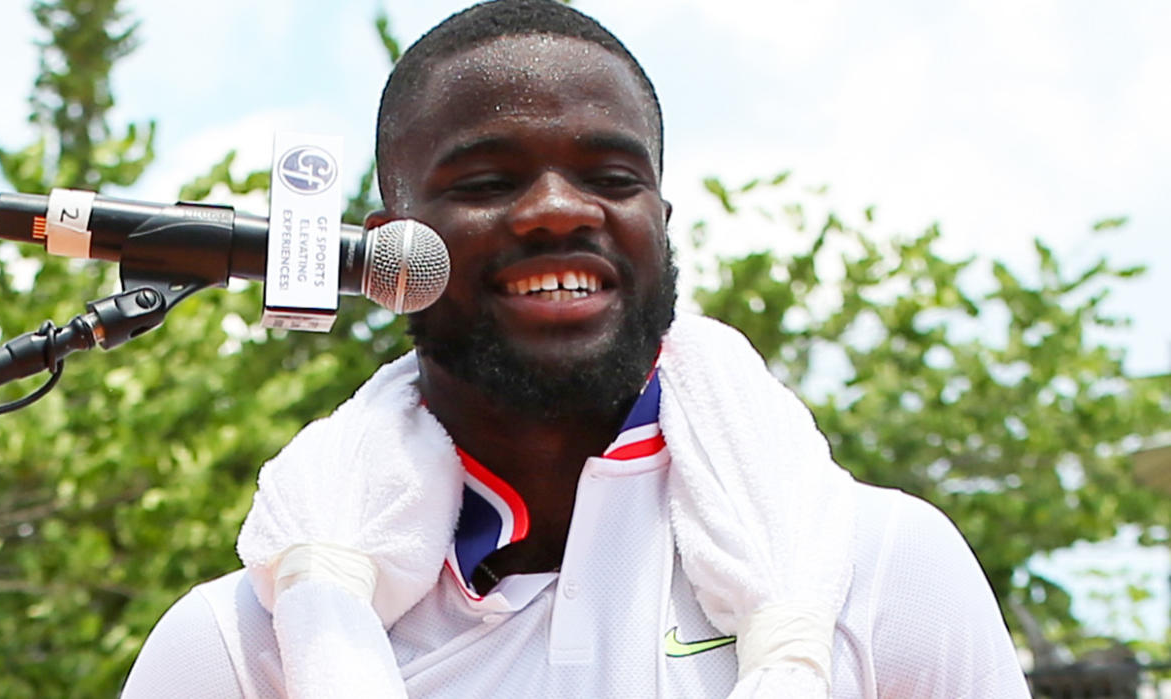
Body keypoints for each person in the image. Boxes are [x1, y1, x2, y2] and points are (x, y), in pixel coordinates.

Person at [123, 1, 1031, 697]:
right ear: (384, 252)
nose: (560, 208)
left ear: (660, 224)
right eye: (487, 181)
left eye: (611, 177)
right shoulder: (244, 645)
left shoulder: (880, 567)